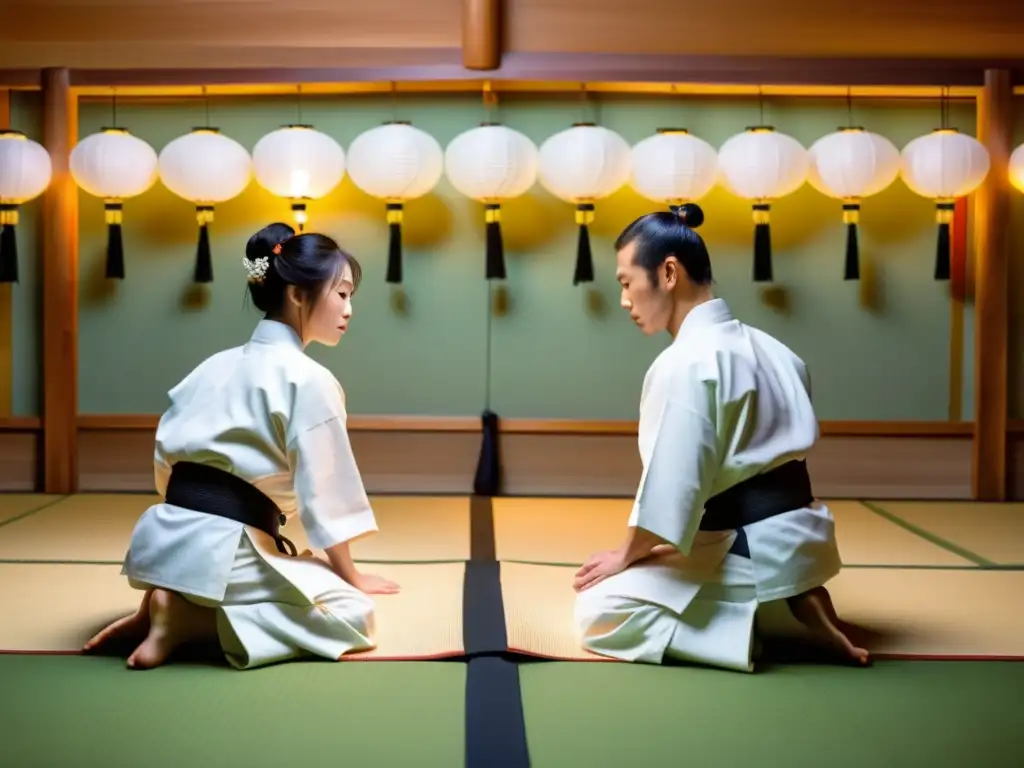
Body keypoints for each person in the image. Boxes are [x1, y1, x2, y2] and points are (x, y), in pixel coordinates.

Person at [85, 223, 400, 671]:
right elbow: (326, 494)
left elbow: (166, 466)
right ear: (296, 294)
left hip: (160, 539)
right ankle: (190, 622)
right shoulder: (309, 379)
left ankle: (160, 602)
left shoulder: (213, 366)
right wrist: (351, 574)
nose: (349, 309)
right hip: (228, 551)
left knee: (305, 572)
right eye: (343, 293)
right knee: (354, 615)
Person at [572, 202, 868, 672]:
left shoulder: (686, 364)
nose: (624, 300)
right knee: (663, 562)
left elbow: (676, 485)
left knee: (600, 611)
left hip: (749, 543)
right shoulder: (775, 349)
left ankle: (752, 630)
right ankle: (796, 595)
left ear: (668, 272)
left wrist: (623, 556)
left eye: (627, 283)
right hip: (804, 537)